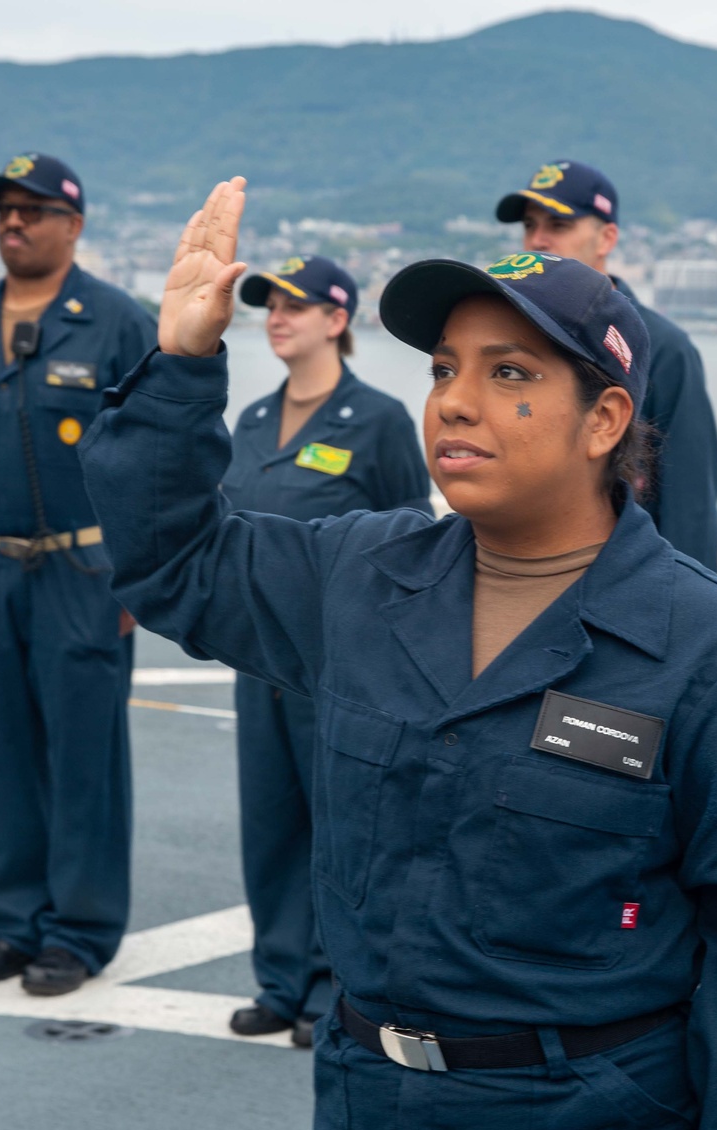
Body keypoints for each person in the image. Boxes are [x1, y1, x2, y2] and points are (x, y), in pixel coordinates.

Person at [80, 179, 717, 1130]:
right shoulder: (363, 578)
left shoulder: (710, 655)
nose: (456, 404)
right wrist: (184, 357)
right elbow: (171, 562)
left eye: (508, 374)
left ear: (609, 418)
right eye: (441, 371)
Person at [0, 153, 156, 996]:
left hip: (83, 568)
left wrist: (137, 573)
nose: (13, 223)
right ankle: (13, 922)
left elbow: (152, 460)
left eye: (31, 210)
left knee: (83, 755)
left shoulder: (115, 322)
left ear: (75, 223)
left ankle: (81, 929)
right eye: (2, 212)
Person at [223, 254, 430, 1048]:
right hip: (262, 659)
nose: (277, 316)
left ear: (337, 320)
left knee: (342, 830)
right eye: (269, 304)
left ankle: (336, 988)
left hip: (342, 663)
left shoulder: (375, 420)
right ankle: (281, 979)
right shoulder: (251, 421)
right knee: (270, 821)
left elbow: (411, 536)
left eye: (295, 305)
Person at [496, 159, 717, 569]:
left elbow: (690, 505)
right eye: (530, 225)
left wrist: (689, 617)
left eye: (558, 226)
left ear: (606, 238)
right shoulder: (515, 342)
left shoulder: (664, 349)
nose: (538, 240)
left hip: (625, 581)